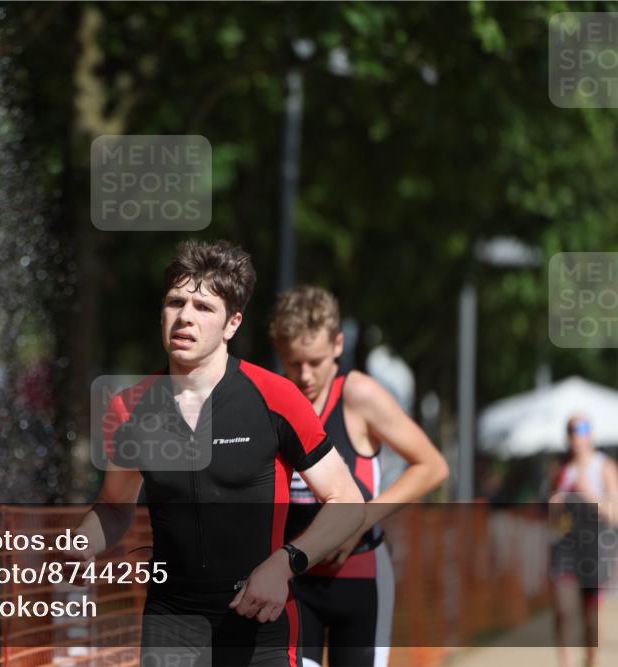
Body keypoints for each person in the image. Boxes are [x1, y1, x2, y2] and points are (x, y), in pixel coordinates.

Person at [68, 241, 366, 667]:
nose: (185, 316)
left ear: (232, 323)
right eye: (175, 302)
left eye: (204, 307)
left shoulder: (275, 397)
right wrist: (82, 542)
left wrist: (285, 564)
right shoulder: (129, 408)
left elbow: (347, 500)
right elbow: (115, 506)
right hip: (170, 627)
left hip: (261, 624)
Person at [268, 286, 449, 667]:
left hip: (360, 575)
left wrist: (359, 519)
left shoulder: (359, 395)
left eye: (315, 362)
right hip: (295, 582)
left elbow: (432, 466)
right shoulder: (272, 398)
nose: (305, 375)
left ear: (338, 344)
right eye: (294, 362)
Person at [549, 415, 618, 667]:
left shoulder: (604, 466)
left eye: (582, 429)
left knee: (590, 614)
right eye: (572, 430)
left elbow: (614, 513)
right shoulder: (561, 469)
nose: (576, 435)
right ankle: (565, 662)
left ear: (591, 434)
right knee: (563, 608)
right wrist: (556, 506)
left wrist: (588, 493)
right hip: (566, 546)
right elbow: (554, 516)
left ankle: (591, 659)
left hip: (593, 547)